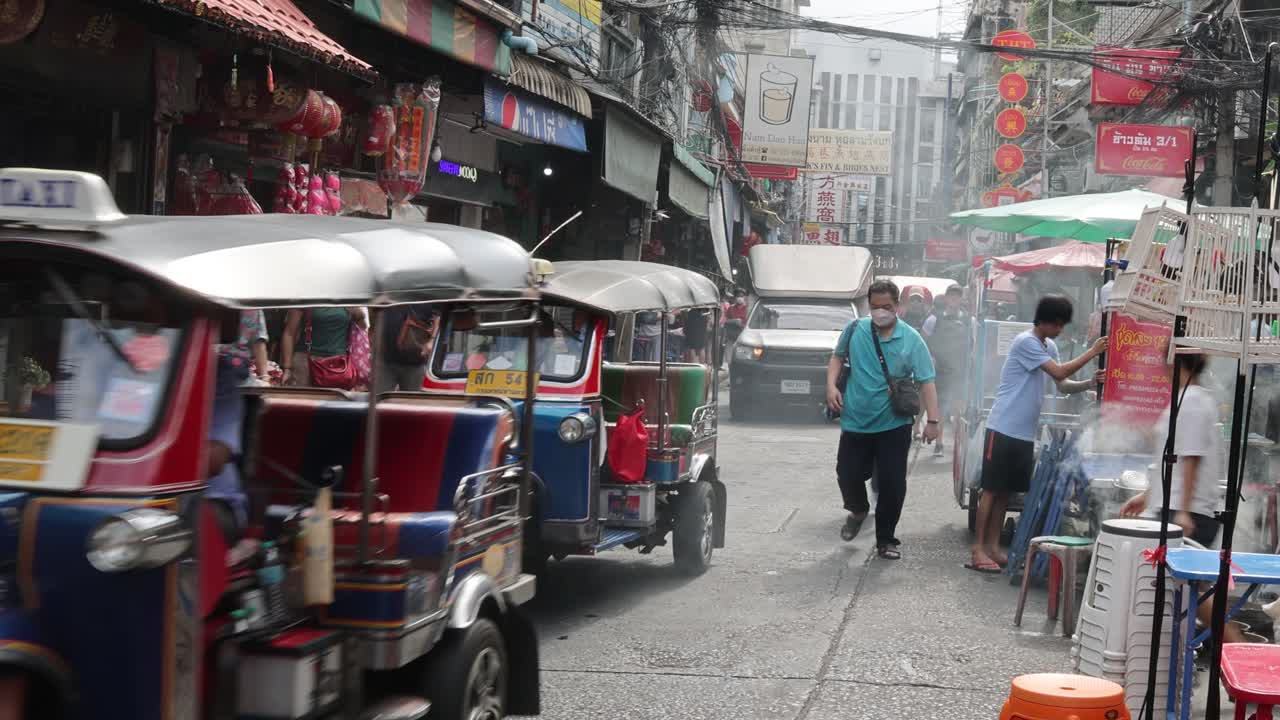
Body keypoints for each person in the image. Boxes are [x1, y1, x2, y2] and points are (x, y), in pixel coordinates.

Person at [970, 295, 1106, 573]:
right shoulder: (1026, 342)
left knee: (1006, 493)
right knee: (991, 490)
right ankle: (978, 549)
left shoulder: (1049, 345)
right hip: (1003, 426)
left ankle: (995, 548)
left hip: (1024, 432)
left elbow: (1063, 384)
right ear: (1044, 321)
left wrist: (1090, 382)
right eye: (1057, 324)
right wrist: (1092, 353)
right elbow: (1058, 370)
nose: (1059, 330)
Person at [1119, 352, 1243, 643]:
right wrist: (1148, 495)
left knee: (1192, 593)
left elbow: (1191, 459)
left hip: (1187, 513)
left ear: (1175, 363)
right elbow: (1173, 457)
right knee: (1190, 592)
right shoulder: (1185, 399)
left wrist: (1184, 511)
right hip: (1174, 506)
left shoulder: (1193, 402)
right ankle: (1230, 652)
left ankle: (1240, 652)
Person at [825, 280, 941, 560]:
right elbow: (837, 358)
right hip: (855, 420)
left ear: (897, 306)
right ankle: (859, 509)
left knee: (892, 483)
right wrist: (831, 386)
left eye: (886, 307)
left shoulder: (912, 339)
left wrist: (934, 421)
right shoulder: (855, 329)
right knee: (847, 473)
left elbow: (927, 381)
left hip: (894, 424)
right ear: (869, 306)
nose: (880, 312)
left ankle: (886, 539)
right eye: (875, 307)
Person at [923, 286, 968, 457]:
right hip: (941, 370)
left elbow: (974, 344)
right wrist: (930, 360)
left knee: (958, 409)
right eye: (951, 296)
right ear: (947, 298)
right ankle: (939, 443)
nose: (954, 300)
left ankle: (958, 445)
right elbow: (923, 342)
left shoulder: (968, 320)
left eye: (957, 296)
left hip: (960, 371)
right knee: (941, 407)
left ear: (961, 299)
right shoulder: (933, 320)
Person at [279, 307, 367, 387]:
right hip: (306, 362)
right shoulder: (305, 297)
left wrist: (360, 315)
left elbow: (362, 330)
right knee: (302, 401)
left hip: (339, 365)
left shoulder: (346, 299)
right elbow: (289, 333)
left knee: (336, 402)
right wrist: (287, 368)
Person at [376, 304, 437, 393]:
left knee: (412, 402)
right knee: (379, 400)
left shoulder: (426, 293)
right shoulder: (387, 293)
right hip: (386, 359)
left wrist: (432, 340)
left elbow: (439, 315)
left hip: (415, 361)